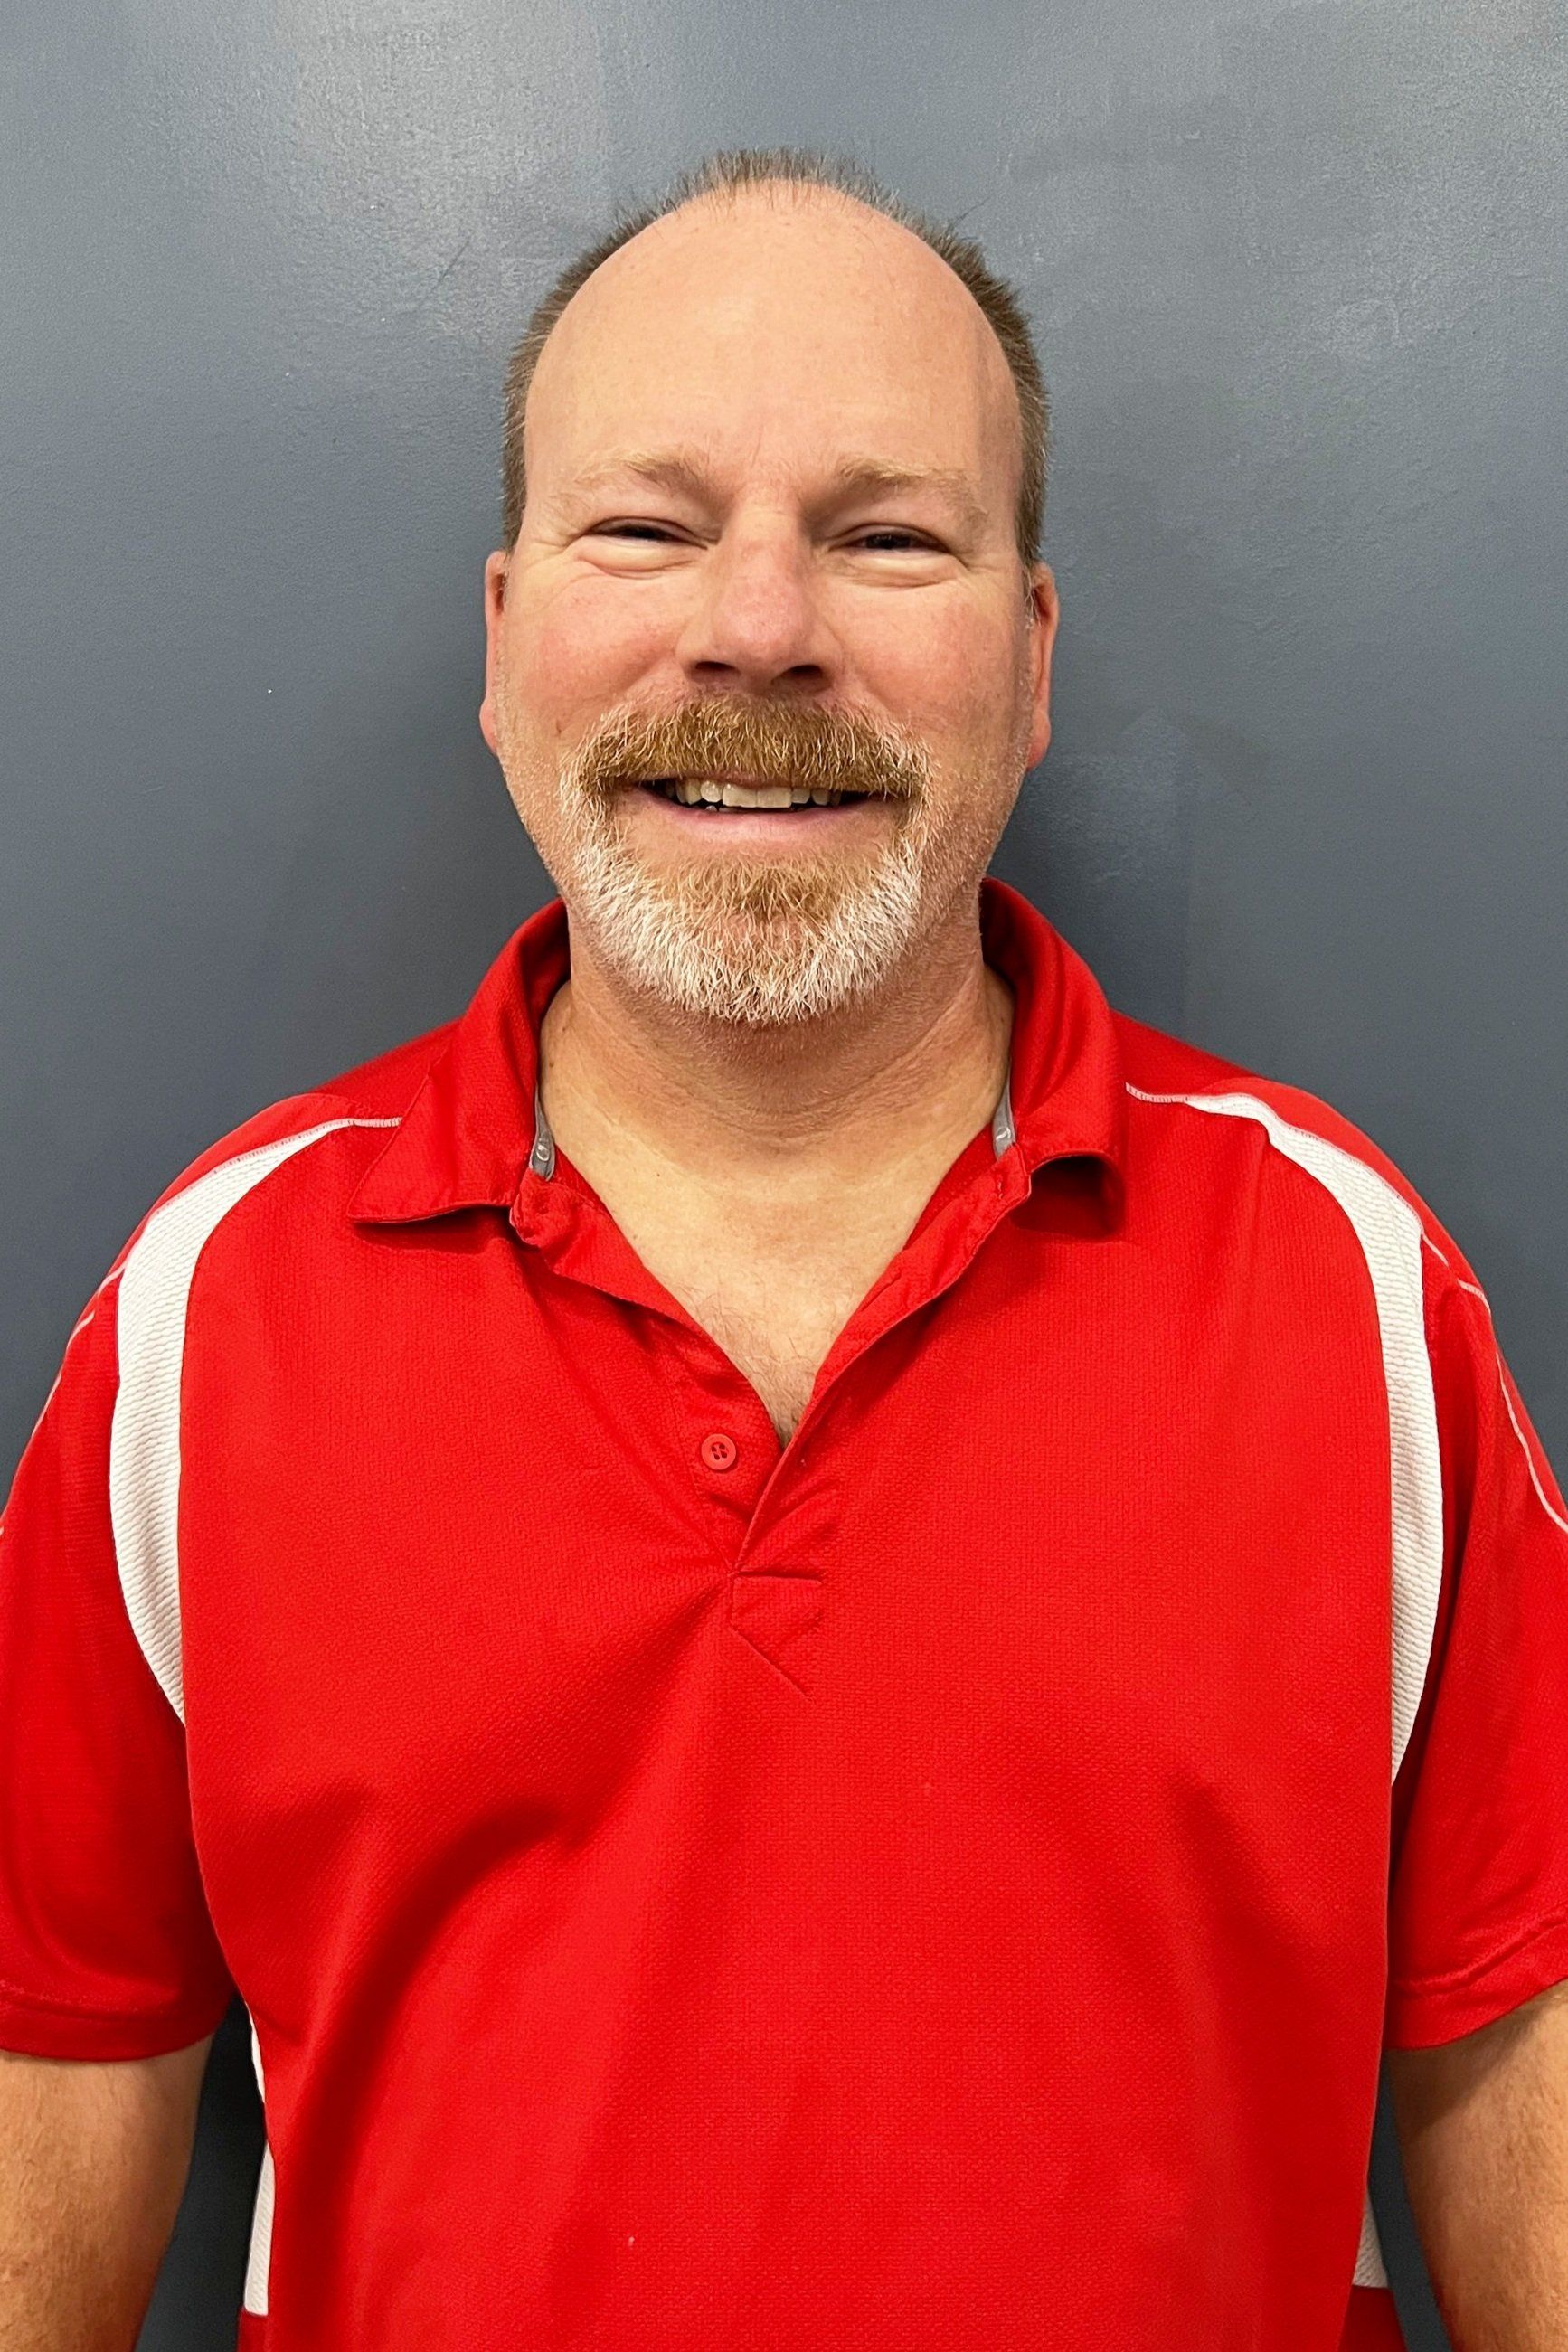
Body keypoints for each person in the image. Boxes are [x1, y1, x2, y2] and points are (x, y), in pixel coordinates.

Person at [1, 146, 1564, 2352]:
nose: (756, 624)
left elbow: (1519, 2033)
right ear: (503, 634)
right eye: (644, 526)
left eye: (888, 535)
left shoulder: (1354, 1293)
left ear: (1029, 663)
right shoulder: (201, 1318)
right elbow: (52, 2067)